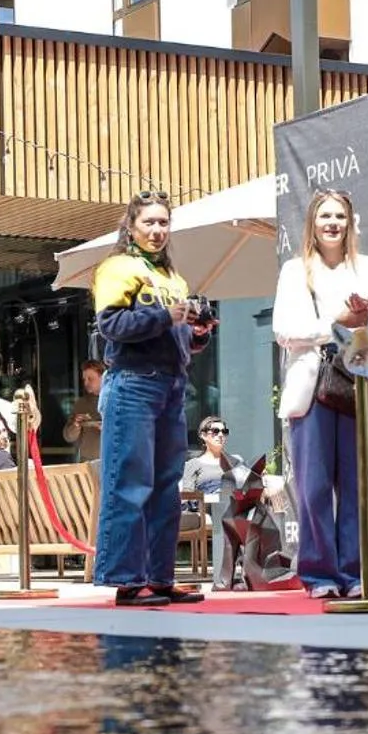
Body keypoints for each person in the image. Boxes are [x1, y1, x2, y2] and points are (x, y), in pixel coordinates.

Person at [91, 190, 216, 606]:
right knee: (131, 483)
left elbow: (176, 336)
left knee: (165, 486)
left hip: (171, 384)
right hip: (133, 382)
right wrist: (167, 316)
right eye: (150, 222)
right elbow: (111, 325)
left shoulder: (173, 278)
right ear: (131, 226)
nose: (158, 230)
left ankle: (160, 577)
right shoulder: (118, 267)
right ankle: (127, 580)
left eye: (164, 223)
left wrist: (197, 333)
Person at [273, 187, 368, 599]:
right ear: (312, 223)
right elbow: (286, 331)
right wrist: (338, 321)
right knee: (313, 487)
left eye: (340, 216)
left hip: (361, 378)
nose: (332, 224)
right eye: (325, 216)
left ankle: (355, 571)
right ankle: (319, 572)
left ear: (350, 222)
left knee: (358, 485)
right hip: (313, 385)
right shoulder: (295, 271)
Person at [180, 416, 250, 498]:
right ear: (203, 435)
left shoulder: (236, 461)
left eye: (224, 431)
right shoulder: (192, 465)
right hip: (207, 509)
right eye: (215, 431)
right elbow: (188, 498)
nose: (220, 435)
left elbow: (247, 490)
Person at [63, 360, 106, 462]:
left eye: (90, 379)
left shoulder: (115, 401)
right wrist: (75, 425)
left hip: (111, 461)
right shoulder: (81, 404)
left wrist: (107, 428)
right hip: (87, 462)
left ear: (103, 378)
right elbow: (68, 437)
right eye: (84, 379)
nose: (86, 383)